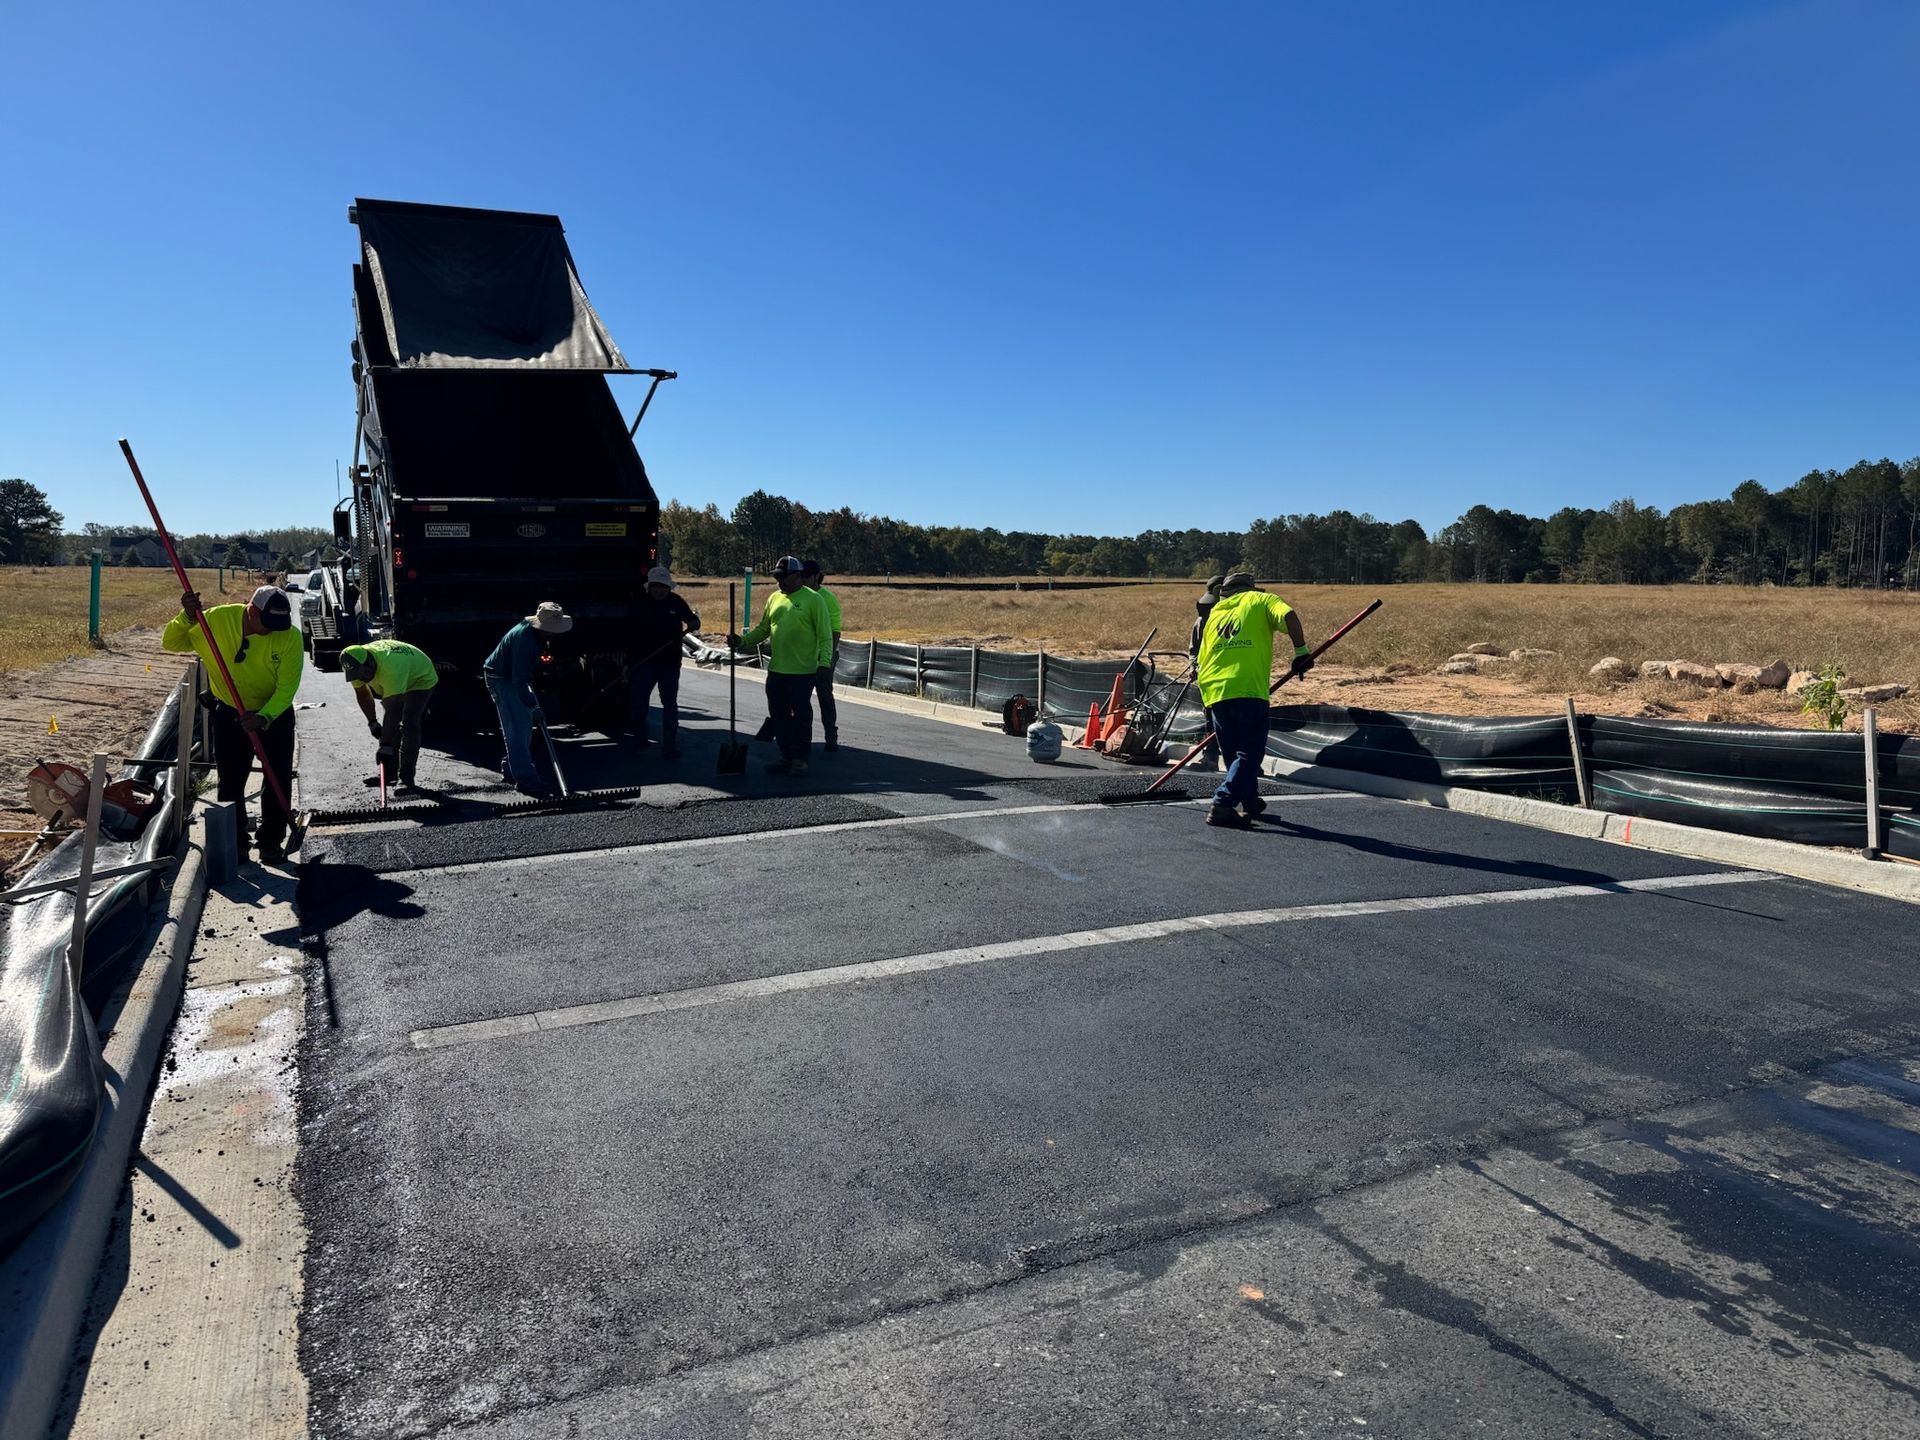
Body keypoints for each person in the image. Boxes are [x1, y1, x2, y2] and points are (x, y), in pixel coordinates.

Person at [161, 584, 303, 863]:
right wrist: (188, 617)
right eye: (268, 623)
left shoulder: (289, 637)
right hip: (229, 712)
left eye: (279, 624)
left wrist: (264, 716)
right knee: (231, 780)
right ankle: (236, 842)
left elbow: (287, 688)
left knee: (278, 778)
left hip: (274, 714)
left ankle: (271, 841)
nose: (273, 630)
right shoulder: (215, 621)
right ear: (251, 610)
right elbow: (171, 642)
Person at [1195, 573, 1311, 828]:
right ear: (1250, 588)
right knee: (1249, 753)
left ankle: (1249, 800)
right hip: (1246, 688)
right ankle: (1222, 804)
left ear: (1224, 593)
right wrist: (1301, 651)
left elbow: (1202, 660)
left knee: (1234, 753)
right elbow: (1289, 615)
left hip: (1214, 690)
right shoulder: (1261, 600)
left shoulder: (1215, 615)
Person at [730, 556, 829, 776]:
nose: (779, 581)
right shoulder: (774, 598)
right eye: (777, 577)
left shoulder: (814, 600)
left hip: (803, 672)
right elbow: (764, 629)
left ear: (797, 576)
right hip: (776, 671)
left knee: (802, 716)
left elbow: (825, 636)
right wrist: (742, 641)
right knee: (779, 715)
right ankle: (786, 756)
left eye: (783, 577)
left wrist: (824, 664)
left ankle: (800, 759)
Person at [483, 601, 571, 795]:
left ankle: (511, 768)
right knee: (518, 728)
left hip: (512, 676)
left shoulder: (536, 635)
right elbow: (518, 680)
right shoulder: (525, 639)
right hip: (502, 679)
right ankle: (526, 779)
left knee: (521, 729)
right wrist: (533, 707)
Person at [340, 638, 439, 793]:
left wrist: (385, 745)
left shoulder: (392, 667)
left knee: (408, 723)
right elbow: (363, 694)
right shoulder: (354, 665)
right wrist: (372, 722)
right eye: (355, 676)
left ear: (370, 663)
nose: (360, 679)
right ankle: (388, 775)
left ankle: (406, 779)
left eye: (362, 675)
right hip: (398, 675)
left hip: (419, 679)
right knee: (389, 728)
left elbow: (393, 710)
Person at [629, 566, 700, 757]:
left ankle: (669, 744)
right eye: (656, 587)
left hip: (669, 662)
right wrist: (629, 662)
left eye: (664, 587)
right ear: (650, 587)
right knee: (639, 701)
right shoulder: (640, 604)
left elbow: (692, 620)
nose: (660, 590)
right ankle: (639, 738)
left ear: (669, 588)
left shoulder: (676, 602)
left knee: (669, 703)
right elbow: (629, 635)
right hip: (644, 662)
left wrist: (694, 623)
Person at [802, 559, 842, 752]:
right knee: (800, 697)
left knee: (824, 695)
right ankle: (801, 737)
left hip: (823, 657)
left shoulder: (828, 598)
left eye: (806, 577)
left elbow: (835, 631)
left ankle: (830, 734)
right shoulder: (799, 595)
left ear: (817, 576)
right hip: (802, 657)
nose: (803, 580)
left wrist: (827, 659)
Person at [1188, 575, 1225, 769]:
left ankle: (1246, 763)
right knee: (1211, 719)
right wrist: (1195, 667)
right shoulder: (1201, 622)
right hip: (1209, 677)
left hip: (1233, 678)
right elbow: (1194, 650)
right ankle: (1210, 757)